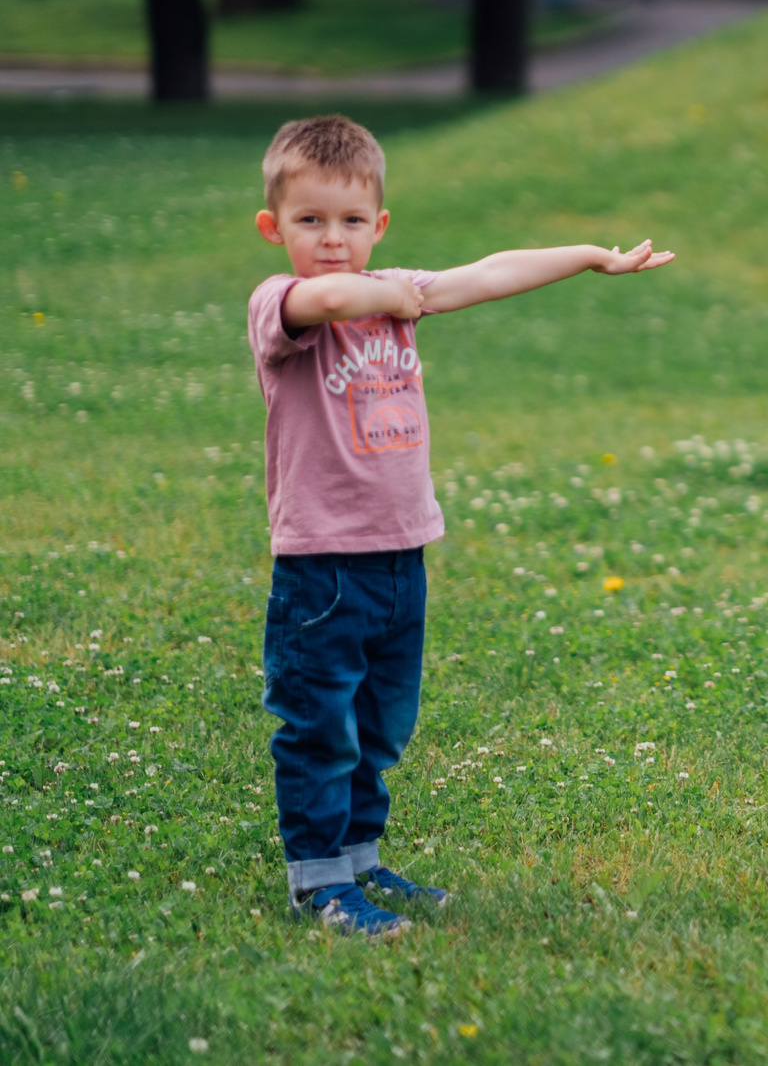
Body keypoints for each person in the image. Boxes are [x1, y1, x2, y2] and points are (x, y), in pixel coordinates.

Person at [246, 114, 675, 937]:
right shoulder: (283, 305)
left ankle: (362, 861)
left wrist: (592, 256)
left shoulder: (398, 290)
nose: (332, 241)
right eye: (310, 222)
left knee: (379, 726)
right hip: (323, 567)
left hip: (402, 555)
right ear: (274, 228)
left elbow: (490, 272)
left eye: (351, 222)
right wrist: (397, 293)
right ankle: (318, 882)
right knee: (320, 725)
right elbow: (332, 296)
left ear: (379, 225)